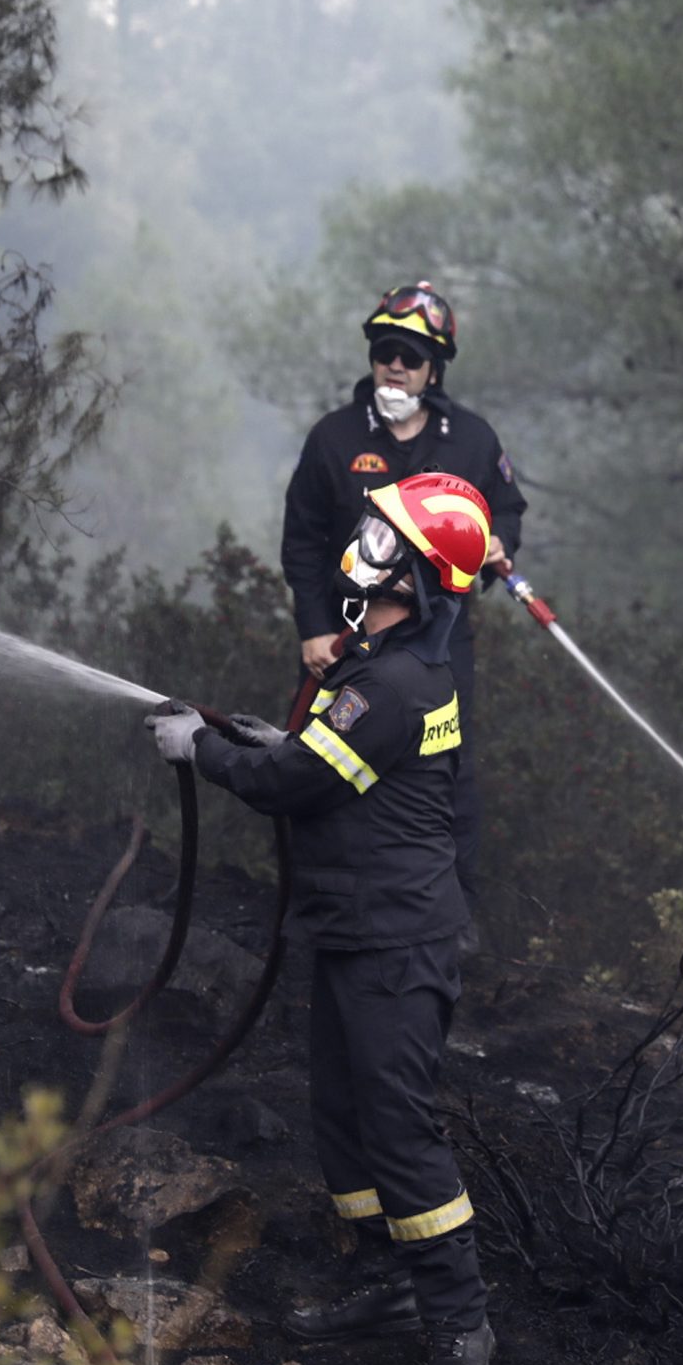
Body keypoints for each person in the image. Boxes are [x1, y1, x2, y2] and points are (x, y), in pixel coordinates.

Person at [148, 470, 498, 1365]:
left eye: (387, 538)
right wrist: (277, 741)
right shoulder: (380, 665)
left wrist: (207, 751)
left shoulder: (390, 680)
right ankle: (392, 1287)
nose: (366, 543)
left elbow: (293, 785)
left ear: (419, 577)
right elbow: (326, 761)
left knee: (399, 1127)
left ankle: (460, 1317)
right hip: (358, 931)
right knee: (345, 1122)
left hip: (396, 940)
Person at [280, 282, 527, 944]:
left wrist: (499, 539)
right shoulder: (333, 440)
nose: (396, 365)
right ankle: (311, 906)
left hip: (440, 644)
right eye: (386, 351)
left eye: (411, 356)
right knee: (322, 762)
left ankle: (453, 918)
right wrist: (313, 628)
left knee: (447, 767)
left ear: (435, 368)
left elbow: (508, 506)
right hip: (346, 639)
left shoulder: (472, 440)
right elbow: (302, 543)